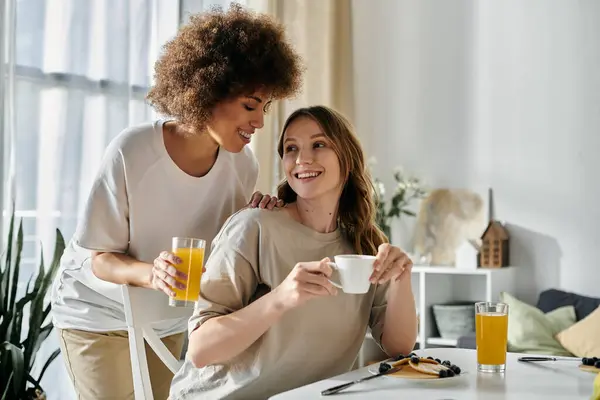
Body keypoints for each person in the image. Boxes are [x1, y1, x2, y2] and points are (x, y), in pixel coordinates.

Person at [50, 4, 303, 400]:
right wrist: (153, 274)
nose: (259, 122)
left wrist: (254, 221)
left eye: (265, 108)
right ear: (209, 90)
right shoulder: (133, 151)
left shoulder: (243, 165)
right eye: (250, 105)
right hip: (97, 316)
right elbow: (96, 256)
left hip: (167, 321)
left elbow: (223, 254)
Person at [168, 105, 418, 399]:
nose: (302, 159)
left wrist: (402, 279)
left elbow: (399, 348)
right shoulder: (254, 227)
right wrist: (281, 298)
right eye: (291, 148)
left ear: (347, 160)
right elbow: (201, 350)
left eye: (319, 144)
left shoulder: (364, 244)